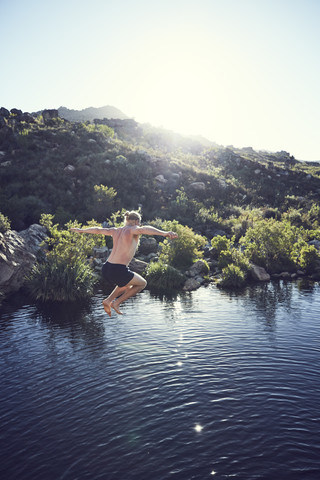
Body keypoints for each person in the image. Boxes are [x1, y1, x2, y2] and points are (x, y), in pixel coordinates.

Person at [70, 211, 178, 316]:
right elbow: (145, 229)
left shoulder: (116, 230)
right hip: (118, 269)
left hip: (106, 268)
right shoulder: (132, 229)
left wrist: (81, 230)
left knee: (126, 285)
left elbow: (98, 230)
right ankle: (116, 303)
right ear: (136, 221)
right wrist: (164, 233)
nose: (139, 225)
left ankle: (108, 301)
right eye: (139, 223)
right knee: (142, 284)